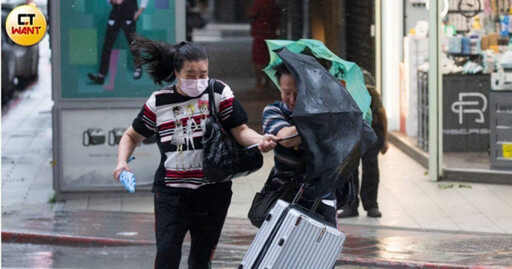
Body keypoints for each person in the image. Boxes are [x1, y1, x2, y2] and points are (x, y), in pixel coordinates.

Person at [112, 36, 278, 269]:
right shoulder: (159, 102)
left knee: (201, 259)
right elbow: (131, 136)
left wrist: (261, 140)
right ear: (177, 72)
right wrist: (122, 163)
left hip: (212, 193)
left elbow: (240, 130)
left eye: (203, 74)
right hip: (172, 194)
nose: (198, 80)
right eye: (191, 74)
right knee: (167, 254)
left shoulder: (218, 93)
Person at [260, 62, 338, 226]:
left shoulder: (333, 113)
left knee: (321, 250)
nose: (292, 99)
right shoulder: (274, 111)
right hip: (284, 194)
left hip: (322, 199)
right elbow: (286, 139)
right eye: (286, 92)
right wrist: (317, 121)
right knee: (280, 249)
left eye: (298, 92)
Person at [338, 70, 388, 218]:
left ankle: (371, 205)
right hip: (351, 134)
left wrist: (386, 140)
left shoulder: (372, 94)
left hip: (371, 132)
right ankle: (350, 206)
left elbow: (382, 115)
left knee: (370, 169)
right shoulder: (344, 93)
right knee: (350, 171)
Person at [88, 0, 148, 84]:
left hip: (129, 14)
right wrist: (114, 1)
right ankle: (101, 75)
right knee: (107, 45)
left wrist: (139, 12)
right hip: (115, 15)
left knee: (133, 43)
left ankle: (138, 68)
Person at [248, 0, 281, 90]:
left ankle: (259, 83)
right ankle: (267, 83)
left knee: (258, 60)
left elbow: (251, 15)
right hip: (270, 34)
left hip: (259, 35)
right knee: (268, 60)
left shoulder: (258, 4)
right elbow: (278, 19)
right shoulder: (273, 5)